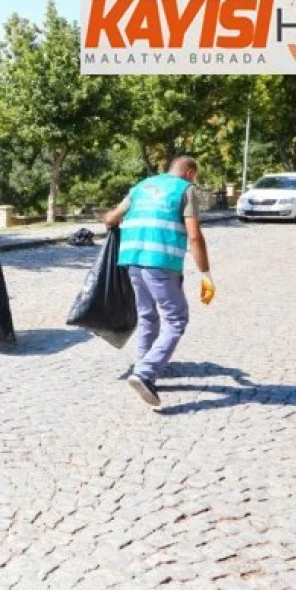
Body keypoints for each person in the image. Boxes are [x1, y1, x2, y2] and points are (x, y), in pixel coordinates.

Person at [104, 155, 215, 407]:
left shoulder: (140, 187)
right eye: (194, 176)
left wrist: (111, 222)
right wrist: (205, 274)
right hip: (162, 262)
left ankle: (142, 367)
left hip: (132, 259)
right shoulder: (186, 190)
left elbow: (112, 218)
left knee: (147, 315)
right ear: (189, 173)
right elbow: (194, 236)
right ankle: (145, 373)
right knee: (176, 319)